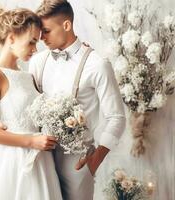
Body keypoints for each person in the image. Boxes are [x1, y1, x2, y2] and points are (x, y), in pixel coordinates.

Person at [29, 0, 126, 199]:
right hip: (39, 159)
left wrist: (95, 160)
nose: (41, 38)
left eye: (46, 31)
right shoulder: (37, 62)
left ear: (66, 25)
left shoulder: (98, 65)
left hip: (77, 164)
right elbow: (23, 102)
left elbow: (117, 117)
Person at [0, 6, 62, 200]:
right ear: (11, 38)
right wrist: (31, 141)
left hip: (40, 162)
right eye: (31, 42)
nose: (35, 49)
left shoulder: (27, 76)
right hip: (13, 163)